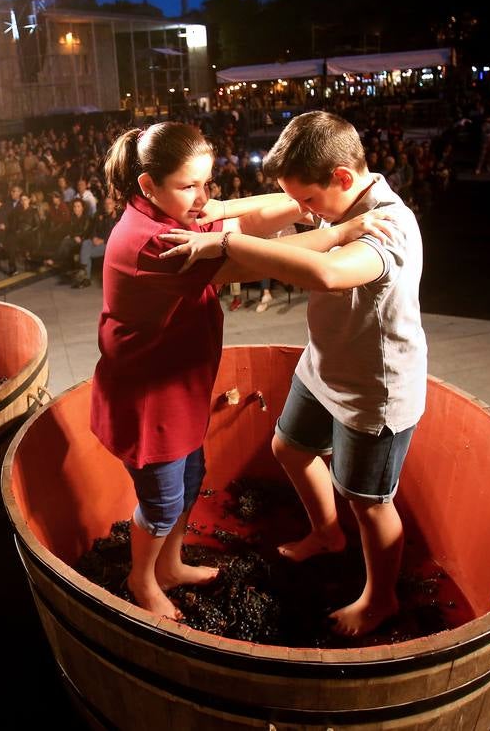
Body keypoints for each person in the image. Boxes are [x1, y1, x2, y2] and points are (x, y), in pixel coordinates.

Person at [159, 110, 423, 638]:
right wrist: (220, 209)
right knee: (289, 448)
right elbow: (276, 204)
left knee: (369, 504)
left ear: (342, 178)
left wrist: (227, 243)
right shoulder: (337, 194)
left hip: (375, 387)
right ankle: (327, 535)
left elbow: (327, 273)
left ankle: (379, 600)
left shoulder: (387, 224)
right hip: (325, 364)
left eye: (308, 201)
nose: (301, 212)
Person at [91, 121, 318, 620]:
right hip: (149, 398)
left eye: (207, 183)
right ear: (148, 184)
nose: (203, 199)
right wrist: (345, 233)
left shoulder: (172, 213)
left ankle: (169, 565)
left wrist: (309, 198)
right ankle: (142, 579)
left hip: (179, 385)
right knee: (161, 500)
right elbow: (256, 258)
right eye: (188, 186)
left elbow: (249, 220)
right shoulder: (152, 240)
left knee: (192, 478)